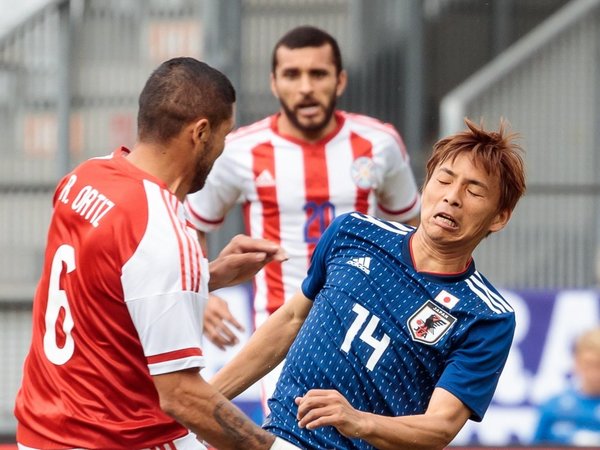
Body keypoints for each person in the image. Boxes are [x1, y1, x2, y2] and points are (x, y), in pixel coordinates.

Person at [13, 57, 299, 450]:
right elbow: (181, 395)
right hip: (116, 440)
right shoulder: (161, 230)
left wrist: (208, 274)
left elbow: (107, 283)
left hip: (39, 434)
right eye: (223, 135)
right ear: (200, 132)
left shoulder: (83, 178)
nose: (221, 149)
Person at [210, 118, 527, 450]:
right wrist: (206, 399)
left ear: (499, 217)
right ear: (426, 185)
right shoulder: (353, 233)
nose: (452, 197)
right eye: (444, 180)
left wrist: (359, 421)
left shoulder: (486, 316)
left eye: (473, 190)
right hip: (282, 436)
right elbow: (291, 319)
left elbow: (440, 427)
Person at [185, 25, 421, 406]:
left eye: (318, 73)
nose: (306, 87)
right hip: (280, 336)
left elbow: (410, 228)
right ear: (274, 83)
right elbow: (192, 222)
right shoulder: (241, 151)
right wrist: (202, 292)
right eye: (293, 75)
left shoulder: (380, 143)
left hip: (368, 331)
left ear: (340, 80)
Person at [532, 327, 600, 446]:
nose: (594, 373)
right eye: (589, 364)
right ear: (576, 363)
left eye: (599, 365)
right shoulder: (553, 406)